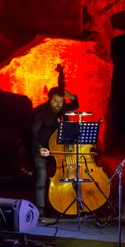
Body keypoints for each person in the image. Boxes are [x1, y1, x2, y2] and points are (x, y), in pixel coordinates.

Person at [31, 87, 79, 216]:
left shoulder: (62, 109)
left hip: (58, 150)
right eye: (55, 101)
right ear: (49, 99)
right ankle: (40, 210)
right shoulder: (40, 112)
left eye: (61, 101)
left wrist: (69, 94)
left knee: (60, 176)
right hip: (41, 148)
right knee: (42, 176)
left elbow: (75, 104)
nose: (58, 104)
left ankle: (58, 205)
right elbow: (32, 134)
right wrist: (40, 148)